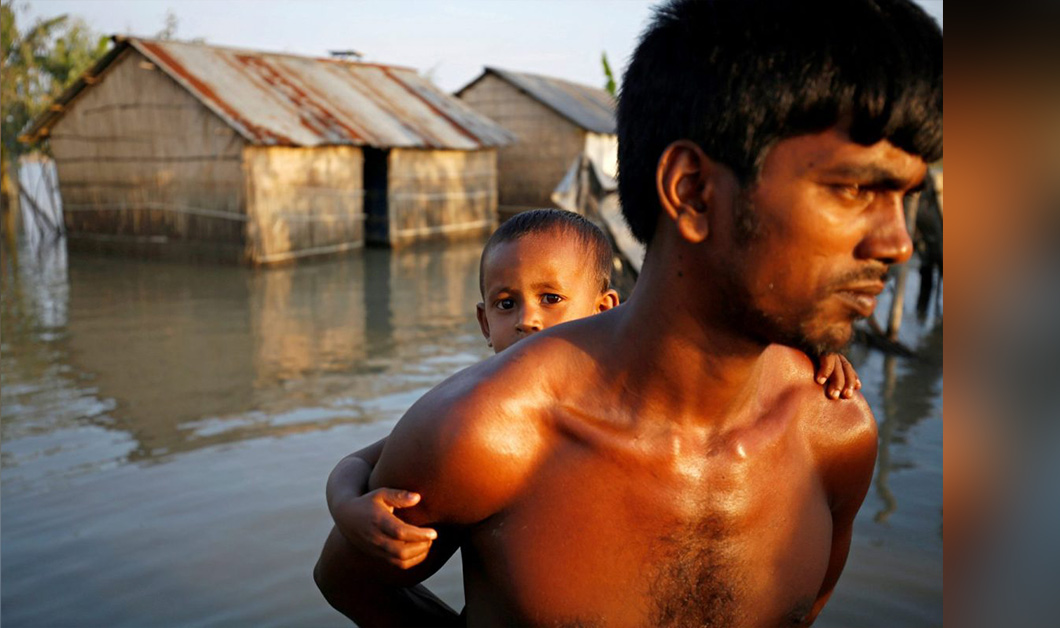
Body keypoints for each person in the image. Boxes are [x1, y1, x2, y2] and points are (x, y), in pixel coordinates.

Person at [315, 0, 942, 623]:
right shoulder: (489, 434)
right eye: (855, 189)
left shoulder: (836, 435)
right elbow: (351, 582)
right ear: (692, 191)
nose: (898, 243)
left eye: (903, 197)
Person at [325, 209, 859, 572]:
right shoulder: (479, 411)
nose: (529, 319)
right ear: (485, 324)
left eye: (552, 297)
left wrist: (814, 348)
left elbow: (713, 350)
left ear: (605, 309)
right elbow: (361, 459)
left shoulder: (629, 391)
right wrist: (344, 505)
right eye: (507, 305)